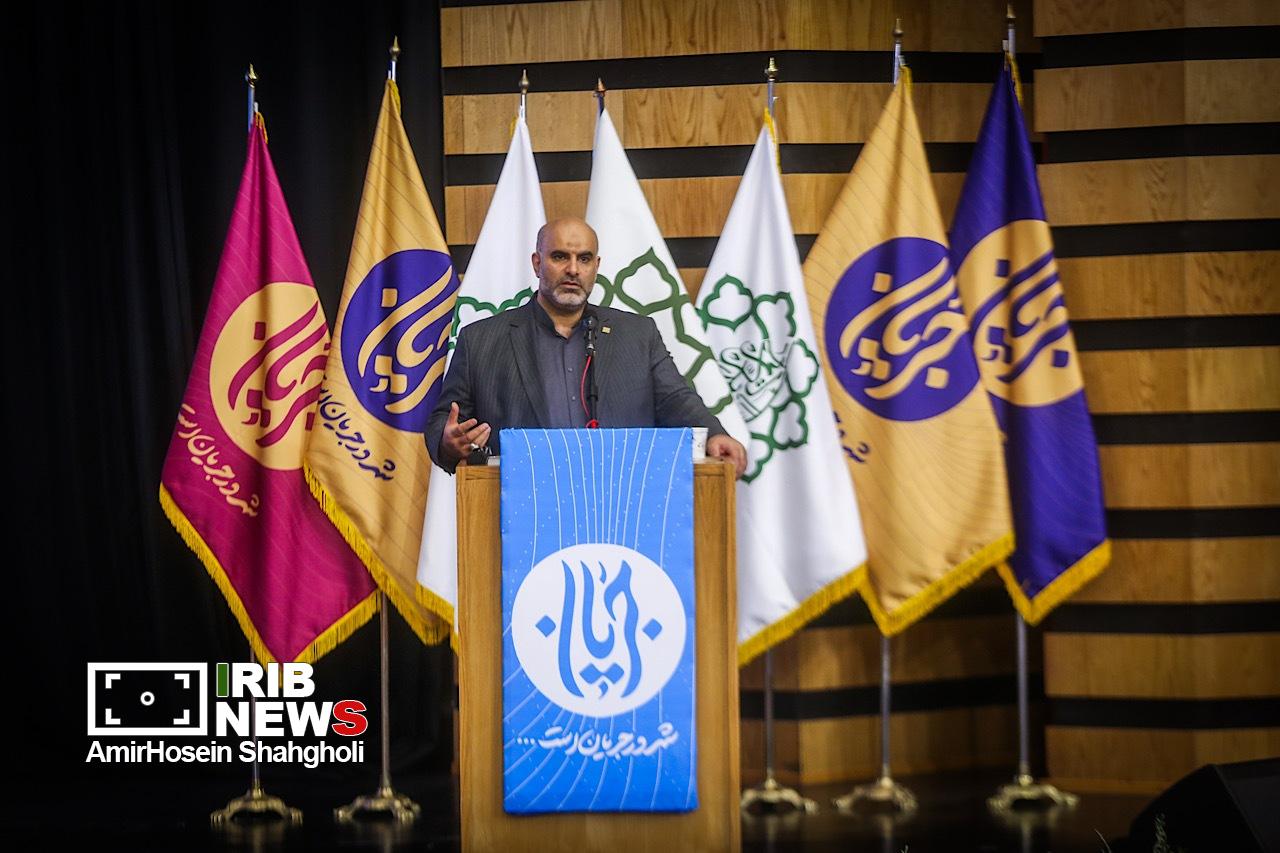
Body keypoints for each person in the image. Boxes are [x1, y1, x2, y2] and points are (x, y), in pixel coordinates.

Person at [425, 217, 747, 476]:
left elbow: (676, 399)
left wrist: (715, 434)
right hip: (525, 509)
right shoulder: (481, 340)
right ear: (537, 263)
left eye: (584, 259)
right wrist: (449, 442)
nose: (573, 269)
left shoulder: (637, 334)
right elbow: (445, 421)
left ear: (596, 266)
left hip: (621, 505)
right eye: (559, 257)